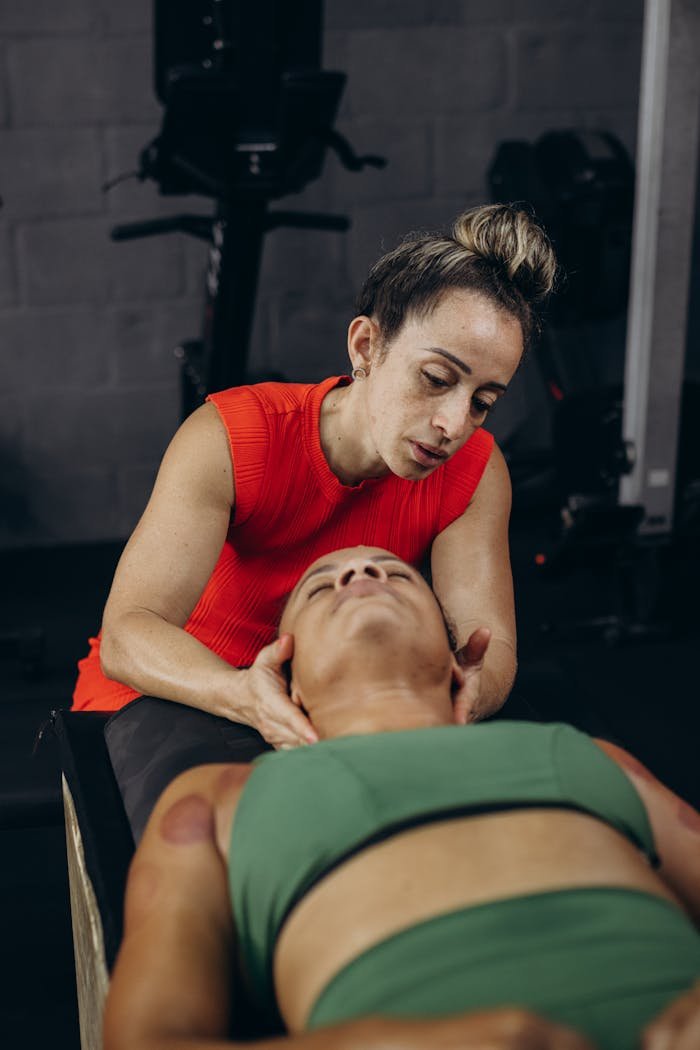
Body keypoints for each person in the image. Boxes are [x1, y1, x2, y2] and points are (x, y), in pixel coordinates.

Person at [104, 547, 700, 1050]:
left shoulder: (590, 756)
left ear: (456, 662)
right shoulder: (213, 801)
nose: (360, 575)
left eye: (396, 574)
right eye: (320, 588)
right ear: (287, 681)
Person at [72, 204, 556, 815]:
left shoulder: (475, 471)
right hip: (176, 691)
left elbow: (495, 648)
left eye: (483, 401)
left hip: (335, 700)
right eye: (436, 378)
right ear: (366, 346)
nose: (454, 424)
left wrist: (461, 695)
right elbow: (129, 634)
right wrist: (241, 693)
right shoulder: (231, 437)